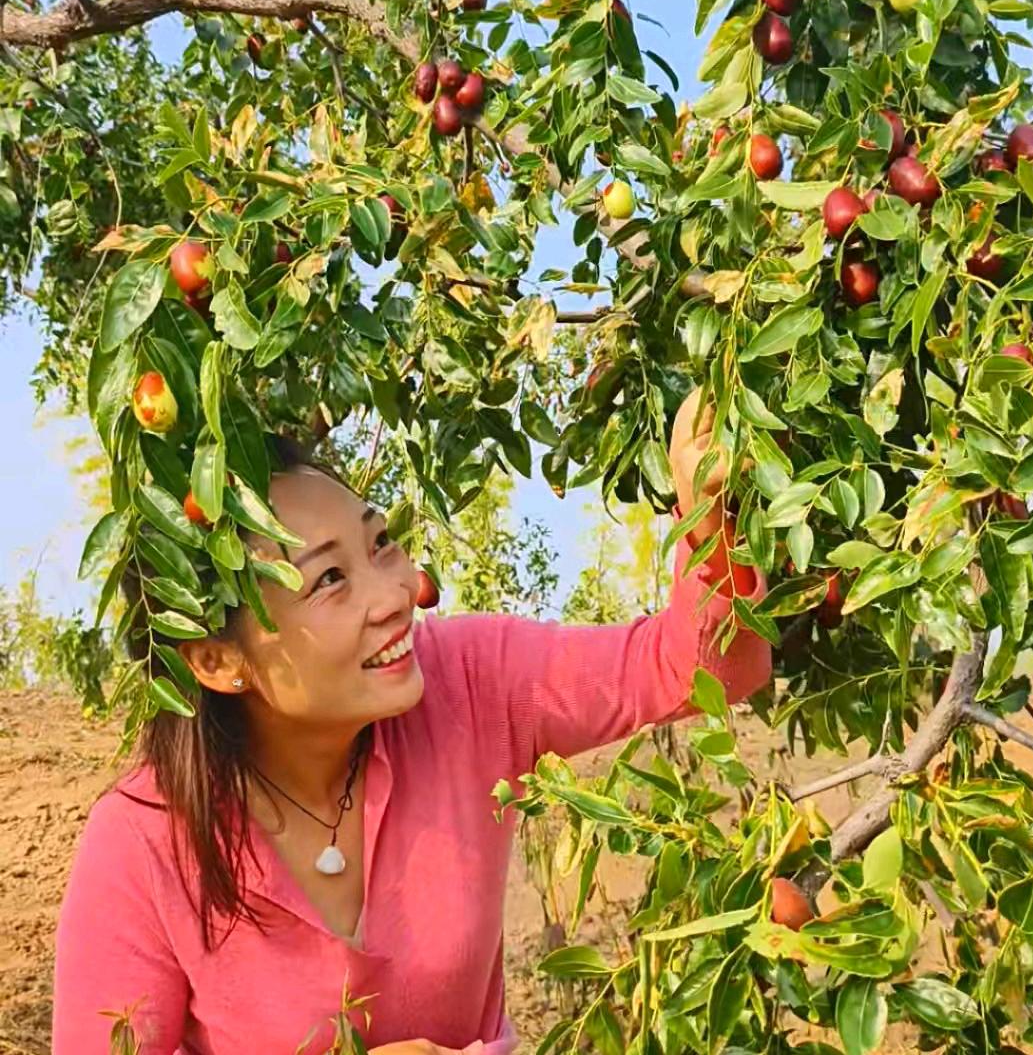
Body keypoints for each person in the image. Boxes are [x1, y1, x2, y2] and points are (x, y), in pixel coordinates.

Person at [52, 387, 772, 1054]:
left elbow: (704, 671)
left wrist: (707, 511)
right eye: (331, 579)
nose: (396, 594)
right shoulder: (146, 843)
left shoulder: (468, 679)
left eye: (381, 545)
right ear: (215, 661)